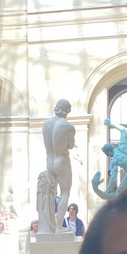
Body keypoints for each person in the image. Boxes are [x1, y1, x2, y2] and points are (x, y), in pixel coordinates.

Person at [39, 99, 75, 232]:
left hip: (49, 161)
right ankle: (59, 227)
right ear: (67, 111)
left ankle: (49, 226)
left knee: (50, 194)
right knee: (65, 193)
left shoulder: (46, 124)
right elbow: (70, 145)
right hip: (61, 160)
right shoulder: (68, 126)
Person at [91, 118, 127, 201]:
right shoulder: (123, 145)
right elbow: (123, 130)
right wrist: (111, 124)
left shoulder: (114, 160)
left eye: (107, 154)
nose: (108, 155)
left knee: (119, 192)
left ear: (109, 151)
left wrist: (107, 191)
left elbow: (113, 177)